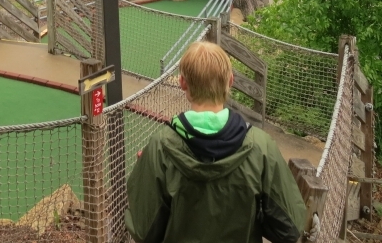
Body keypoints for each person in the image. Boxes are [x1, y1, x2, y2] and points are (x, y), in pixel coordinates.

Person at [125, 41, 307, 243]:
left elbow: (143, 231)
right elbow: (290, 227)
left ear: (182, 83)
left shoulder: (160, 147)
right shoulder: (261, 147)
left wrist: (144, 171)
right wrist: (253, 211)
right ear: (230, 80)